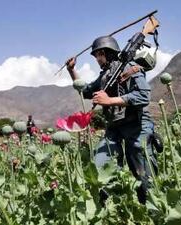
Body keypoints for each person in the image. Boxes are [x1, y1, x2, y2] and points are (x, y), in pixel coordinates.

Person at [66, 36, 157, 204]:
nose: (96, 59)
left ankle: (151, 210)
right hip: (114, 128)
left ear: (104, 53)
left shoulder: (130, 67)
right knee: (100, 167)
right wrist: (72, 71)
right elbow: (86, 91)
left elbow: (144, 95)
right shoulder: (105, 75)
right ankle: (110, 209)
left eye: (97, 55)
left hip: (136, 125)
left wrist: (109, 100)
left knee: (143, 175)